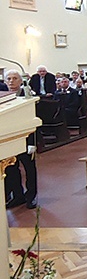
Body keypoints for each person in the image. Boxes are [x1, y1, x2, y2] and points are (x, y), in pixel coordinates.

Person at [4, 70, 38, 209]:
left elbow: (34, 119)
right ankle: (18, 195)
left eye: (14, 78)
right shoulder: (4, 98)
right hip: (10, 140)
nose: (11, 81)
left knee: (29, 169)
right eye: (8, 79)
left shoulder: (28, 96)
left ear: (21, 81)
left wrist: (32, 142)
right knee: (11, 169)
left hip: (26, 139)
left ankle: (31, 197)